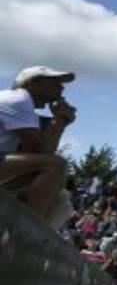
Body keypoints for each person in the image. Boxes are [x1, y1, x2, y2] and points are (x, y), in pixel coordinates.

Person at [0, 66, 76, 221]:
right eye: (55, 82)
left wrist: (60, 123)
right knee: (55, 165)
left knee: (61, 199)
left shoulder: (26, 109)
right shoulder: (19, 99)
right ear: (34, 82)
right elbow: (42, 151)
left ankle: (26, 229)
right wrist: (59, 120)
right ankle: (28, 228)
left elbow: (39, 153)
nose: (61, 87)